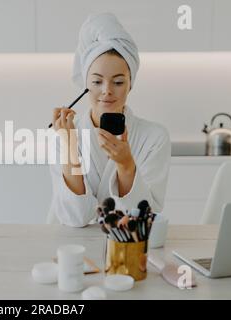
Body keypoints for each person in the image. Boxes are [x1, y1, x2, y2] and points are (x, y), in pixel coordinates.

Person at [47, 12, 171, 227]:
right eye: (96, 82)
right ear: (85, 85)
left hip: (127, 246)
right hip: (74, 244)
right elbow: (76, 218)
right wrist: (70, 147)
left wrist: (126, 165)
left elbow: (142, 219)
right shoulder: (65, 135)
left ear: (130, 84)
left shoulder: (154, 137)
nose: (107, 91)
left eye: (118, 82)